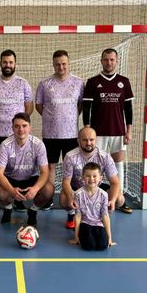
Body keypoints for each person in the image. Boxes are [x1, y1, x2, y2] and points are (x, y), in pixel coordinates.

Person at [82, 48, 133, 214]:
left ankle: (119, 197)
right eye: (106, 59)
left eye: (112, 59)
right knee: (96, 166)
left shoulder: (124, 82)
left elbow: (128, 108)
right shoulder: (92, 82)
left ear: (116, 61)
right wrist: (87, 129)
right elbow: (87, 108)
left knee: (118, 164)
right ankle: (94, 198)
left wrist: (129, 130)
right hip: (98, 133)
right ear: (101, 61)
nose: (109, 62)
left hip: (118, 131)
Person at [0, 49, 33, 212]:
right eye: (5, 62)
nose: (8, 65)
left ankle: (18, 198)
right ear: (0, 63)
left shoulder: (23, 84)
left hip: (17, 136)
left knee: (16, 168)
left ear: (15, 64)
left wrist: (19, 126)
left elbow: (29, 108)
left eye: (10, 62)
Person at [35, 50, 84, 208]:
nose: (61, 67)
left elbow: (80, 105)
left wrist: (69, 118)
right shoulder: (45, 84)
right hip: (51, 134)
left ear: (69, 64)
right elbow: (39, 105)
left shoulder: (78, 83)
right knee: (50, 166)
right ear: (53, 65)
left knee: (72, 166)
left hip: (71, 134)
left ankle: (72, 198)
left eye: (64, 64)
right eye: (57, 64)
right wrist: (52, 118)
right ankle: (48, 198)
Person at [0, 113, 54, 226]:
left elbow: (45, 172)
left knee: (49, 189)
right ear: (12, 128)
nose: (20, 129)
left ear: (30, 127)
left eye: (24, 126)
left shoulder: (38, 145)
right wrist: (11, 190)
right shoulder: (5, 145)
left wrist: (35, 189)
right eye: (17, 126)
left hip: (31, 179)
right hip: (11, 178)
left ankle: (33, 210)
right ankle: (7, 208)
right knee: (1, 192)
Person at [61, 127, 126, 229]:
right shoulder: (70, 156)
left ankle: (98, 217)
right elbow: (66, 182)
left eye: (91, 140)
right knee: (63, 199)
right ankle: (72, 214)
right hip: (77, 188)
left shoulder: (105, 156)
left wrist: (112, 200)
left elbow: (115, 182)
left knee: (119, 199)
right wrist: (70, 198)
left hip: (97, 188)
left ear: (96, 140)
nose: (89, 143)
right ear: (78, 141)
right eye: (85, 140)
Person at [68, 163, 116, 251]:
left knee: (103, 245)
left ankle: (98, 237)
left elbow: (105, 215)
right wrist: (76, 237)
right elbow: (78, 216)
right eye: (88, 176)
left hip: (98, 224)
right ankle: (81, 234)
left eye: (94, 176)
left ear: (100, 178)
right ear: (82, 177)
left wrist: (109, 238)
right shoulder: (78, 194)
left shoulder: (104, 194)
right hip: (85, 223)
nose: (91, 179)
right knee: (89, 246)